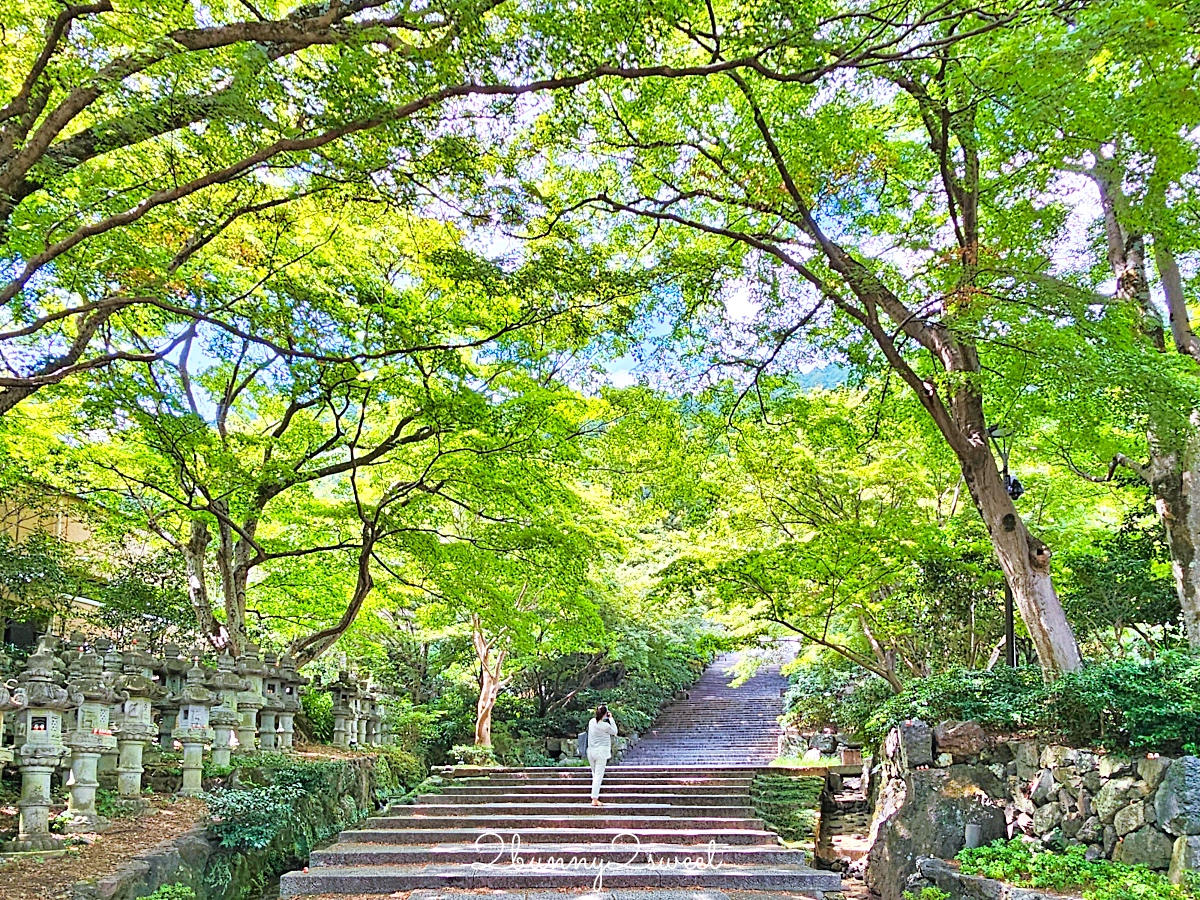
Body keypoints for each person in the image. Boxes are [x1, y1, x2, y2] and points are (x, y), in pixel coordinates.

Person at [586, 704, 618, 806]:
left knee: (595, 775)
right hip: (601, 753)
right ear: (605, 714)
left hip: (591, 751)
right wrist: (611, 719)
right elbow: (615, 731)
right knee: (598, 776)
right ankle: (594, 799)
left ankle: (594, 797)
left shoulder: (591, 722)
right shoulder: (605, 726)